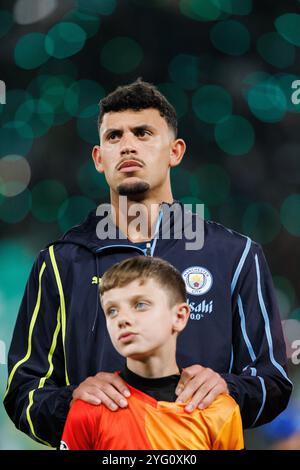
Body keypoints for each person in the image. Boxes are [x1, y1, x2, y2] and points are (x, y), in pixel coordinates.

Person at [4, 79, 292, 448]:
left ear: (175, 151)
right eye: (114, 136)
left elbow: (273, 379)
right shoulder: (61, 263)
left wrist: (227, 388)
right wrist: (74, 401)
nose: (127, 145)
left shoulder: (235, 256)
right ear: (98, 158)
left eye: (143, 133)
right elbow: (23, 392)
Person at [61, 256, 244, 450]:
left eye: (140, 305)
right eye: (112, 310)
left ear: (179, 316)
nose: (122, 319)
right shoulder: (88, 409)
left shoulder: (220, 410)